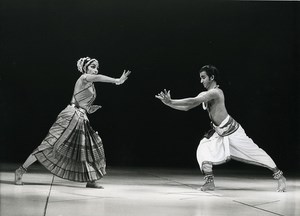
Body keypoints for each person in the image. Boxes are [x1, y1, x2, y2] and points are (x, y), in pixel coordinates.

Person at [155, 65, 286, 192]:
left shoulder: (216, 92)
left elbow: (192, 101)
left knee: (256, 153)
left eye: (203, 77)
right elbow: (187, 107)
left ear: (211, 77)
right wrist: (169, 103)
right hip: (219, 132)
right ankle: (209, 181)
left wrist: (171, 101)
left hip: (233, 131)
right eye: (200, 78)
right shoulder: (205, 94)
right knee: (203, 147)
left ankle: (279, 176)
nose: (201, 81)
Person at [15, 57, 131, 188]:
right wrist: (117, 80)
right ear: (85, 68)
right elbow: (97, 77)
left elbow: (81, 101)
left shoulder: (90, 85)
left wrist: (89, 108)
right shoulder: (84, 78)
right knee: (49, 144)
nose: (96, 69)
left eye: (97, 67)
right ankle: (20, 170)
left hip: (81, 117)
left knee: (89, 147)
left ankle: (91, 180)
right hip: (71, 115)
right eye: (92, 66)